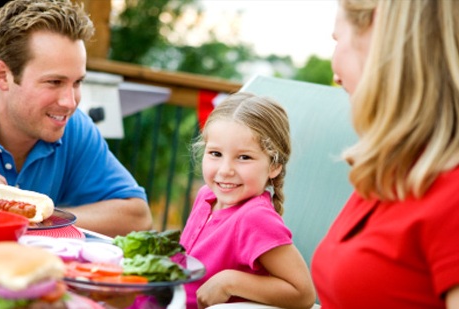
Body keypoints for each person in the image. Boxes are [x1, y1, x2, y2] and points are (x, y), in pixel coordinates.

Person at [312, 0, 459, 308]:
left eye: (337, 40)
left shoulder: (450, 194)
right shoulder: (391, 172)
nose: (335, 74)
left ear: (381, 35)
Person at [0, 0, 152, 237]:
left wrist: (40, 216)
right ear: (3, 76)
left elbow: (138, 215)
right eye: (54, 82)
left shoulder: (74, 127)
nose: (70, 102)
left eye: (77, 82)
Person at [180, 92, 316, 309]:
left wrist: (229, 282)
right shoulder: (207, 195)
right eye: (215, 153)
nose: (225, 171)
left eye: (244, 157)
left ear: (274, 166)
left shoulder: (254, 218)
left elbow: (303, 294)